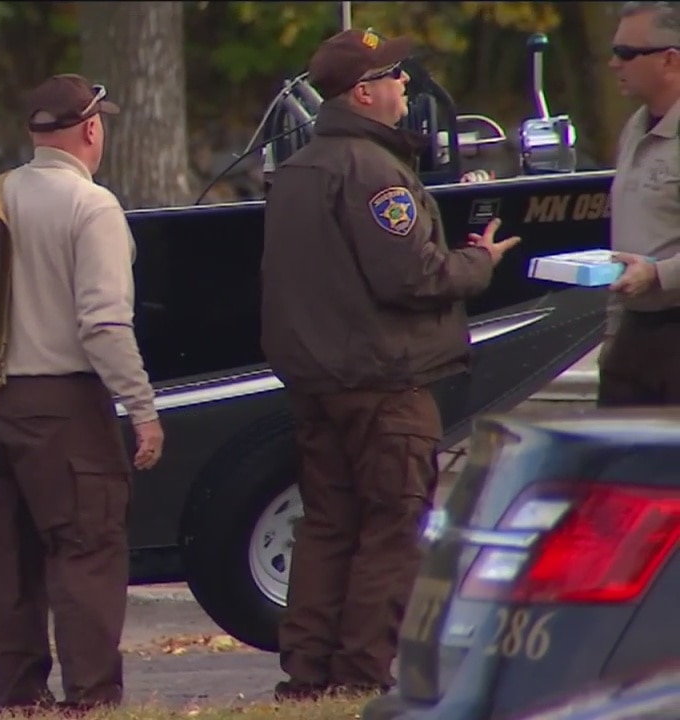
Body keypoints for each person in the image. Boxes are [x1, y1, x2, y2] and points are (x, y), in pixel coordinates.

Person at [259, 28, 522, 700]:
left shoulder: (298, 168)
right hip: (382, 380)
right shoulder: (375, 172)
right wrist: (479, 262)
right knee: (393, 527)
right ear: (362, 93)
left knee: (327, 524)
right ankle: (358, 676)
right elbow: (412, 277)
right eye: (394, 74)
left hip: (317, 381)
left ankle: (306, 675)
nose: (406, 83)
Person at [0, 73, 165, 714]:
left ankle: (21, 697)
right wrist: (142, 408)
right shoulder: (91, 206)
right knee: (86, 553)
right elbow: (103, 324)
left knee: (10, 559)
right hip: (65, 410)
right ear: (92, 128)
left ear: (34, 132)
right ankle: (91, 698)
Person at [598, 1, 680, 407]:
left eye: (627, 53)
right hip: (634, 333)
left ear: (670, 60)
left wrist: (658, 274)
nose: (614, 63)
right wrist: (613, 338)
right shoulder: (634, 126)